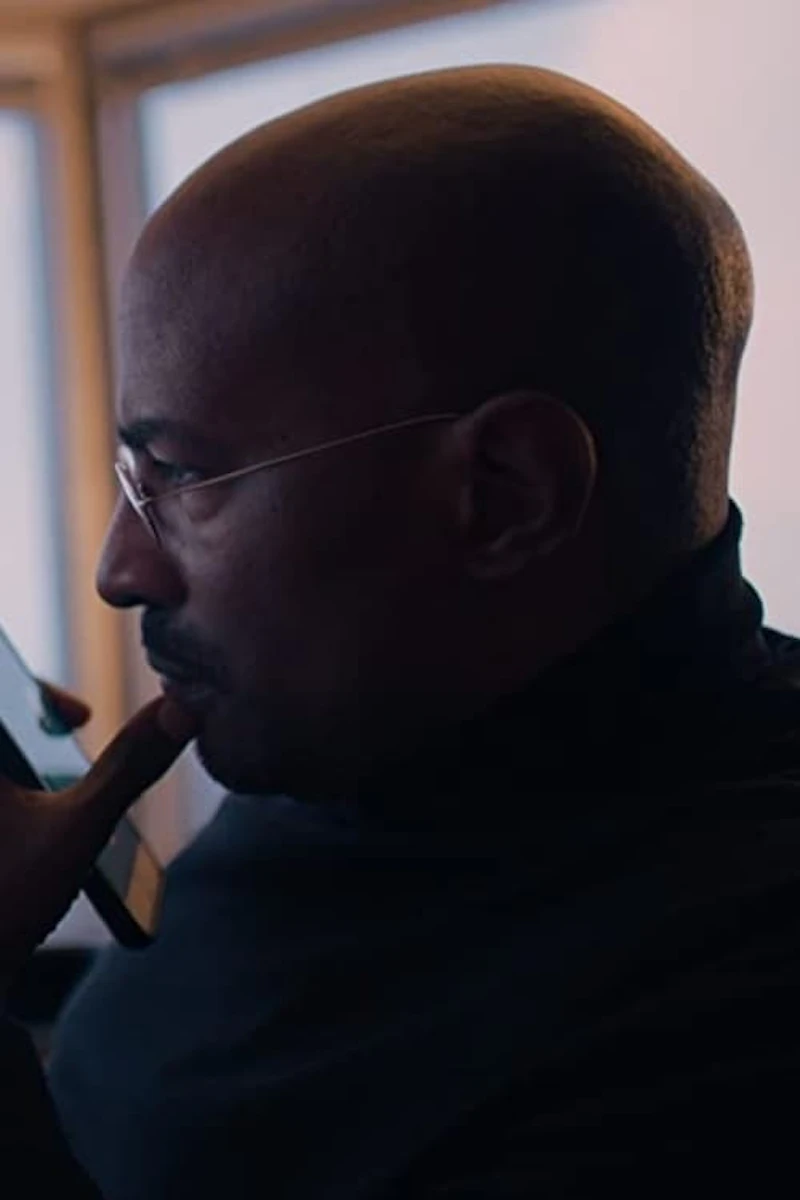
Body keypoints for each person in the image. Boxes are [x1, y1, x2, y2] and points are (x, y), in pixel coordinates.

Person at [2, 62, 800, 1197]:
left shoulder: (735, 1021)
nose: (119, 571)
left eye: (180, 473)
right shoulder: (365, 734)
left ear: (505, 495)